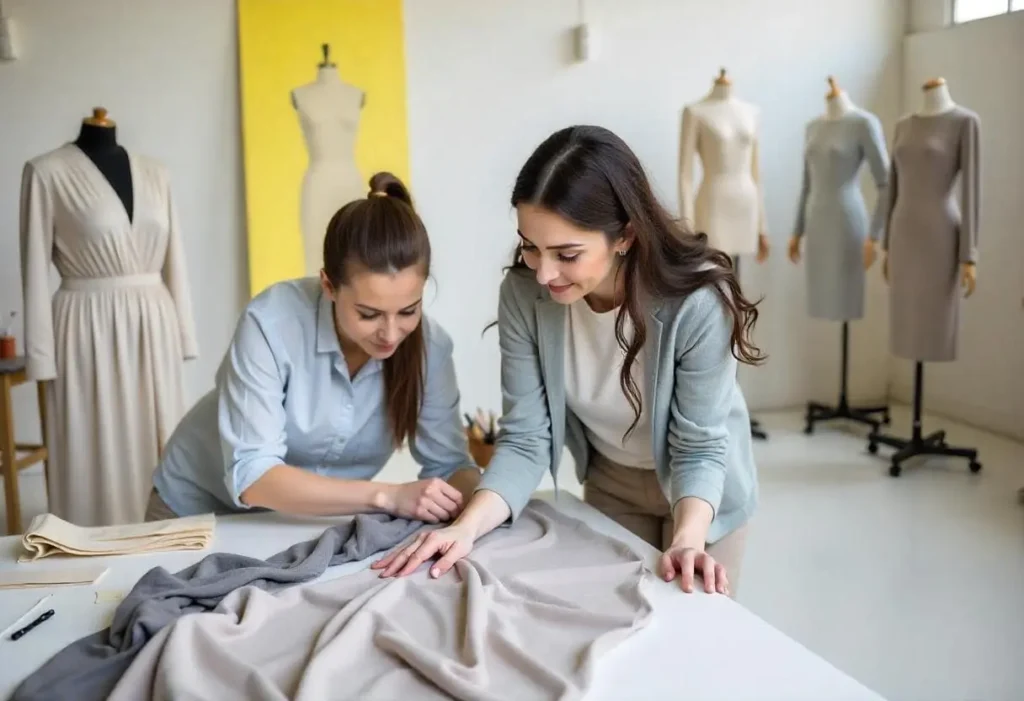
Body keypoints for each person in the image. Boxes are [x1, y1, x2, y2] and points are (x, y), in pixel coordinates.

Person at [374, 126, 763, 596]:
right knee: (618, 623)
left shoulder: (696, 302)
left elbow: (699, 447)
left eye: (567, 254)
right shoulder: (522, 295)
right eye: (530, 246)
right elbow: (525, 439)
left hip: (705, 494)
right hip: (612, 483)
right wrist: (466, 527)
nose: (544, 272)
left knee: (692, 634)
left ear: (625, 236)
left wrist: (687, 540)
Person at [146, 173, 480, 522]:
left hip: (303, 524)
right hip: (194, 509)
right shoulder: (272, 323)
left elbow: (452, 466)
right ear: (329, 285)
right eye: (369, 314)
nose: (391, 333)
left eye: (409, 311)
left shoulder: (431, 347)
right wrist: (389, 496)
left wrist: (484, 495)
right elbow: (254, 476)